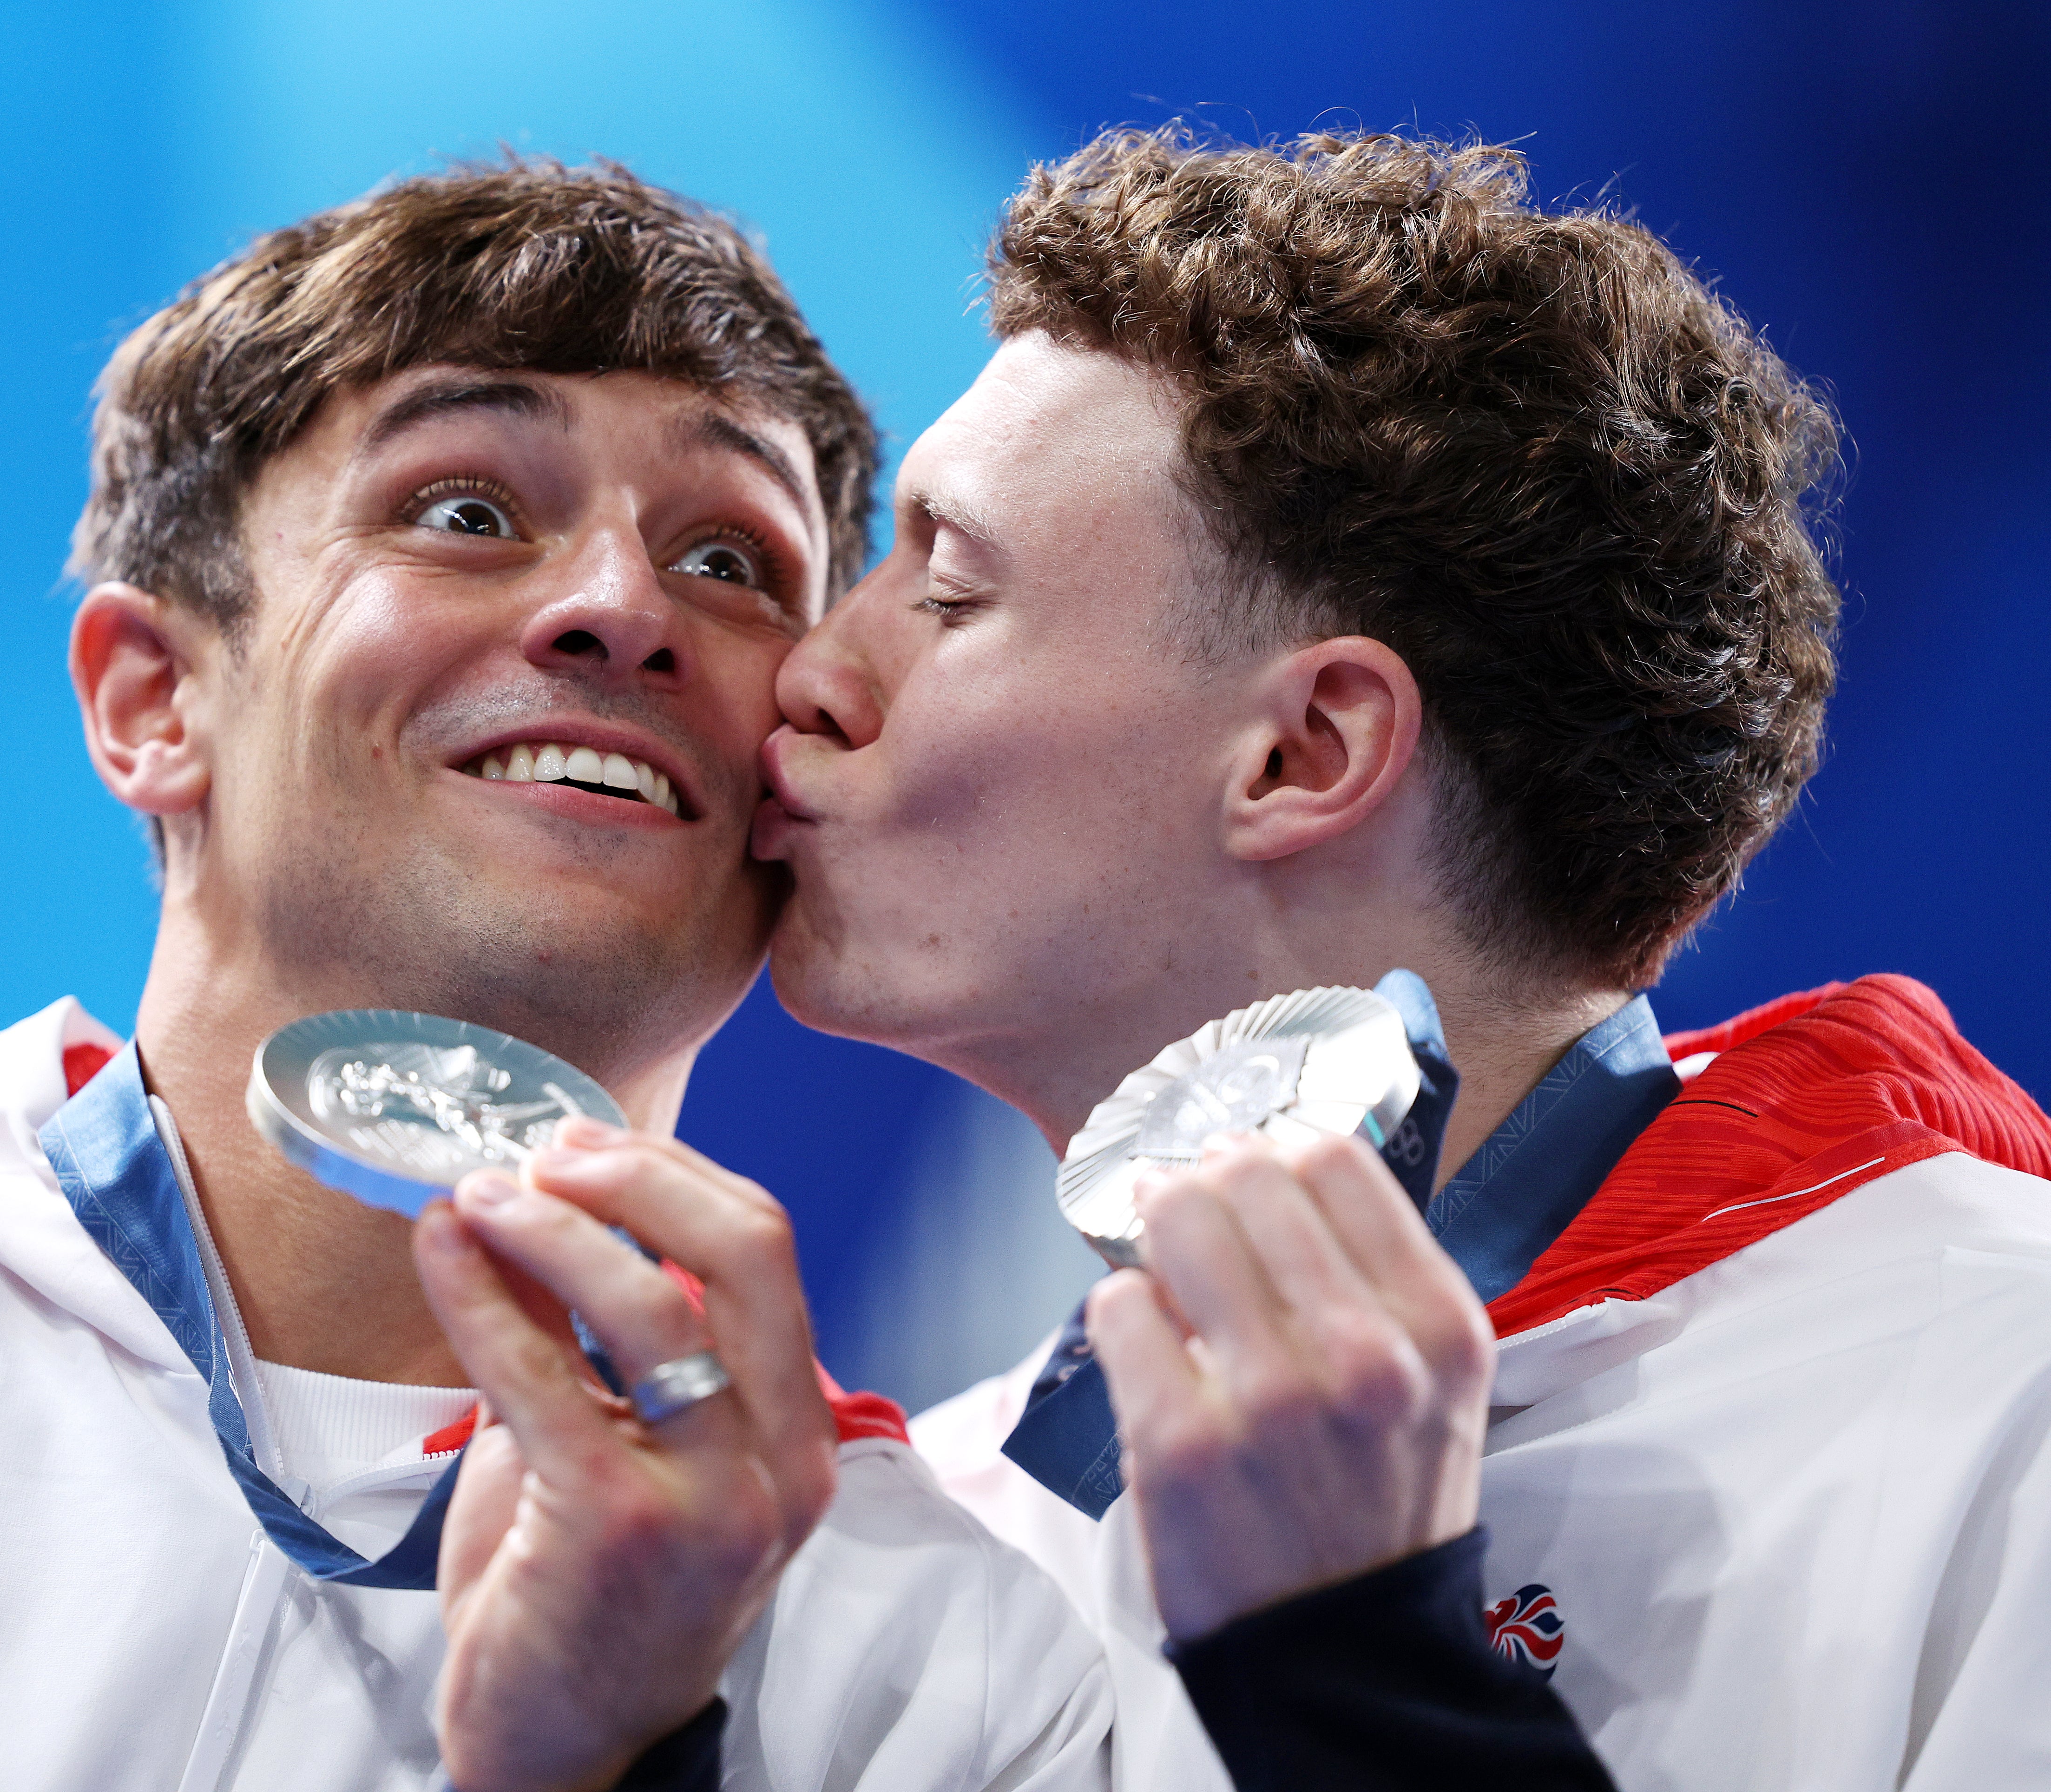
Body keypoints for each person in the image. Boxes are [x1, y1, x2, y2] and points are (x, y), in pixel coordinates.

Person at [0, 160, 1109, 1792]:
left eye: (729, 561)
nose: (620, 607)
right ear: (154, 698)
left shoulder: (958, 1670)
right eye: (466, 510)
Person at [743, 127, 2051, 1790]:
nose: (807, 671)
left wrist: (1358, 1676)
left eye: (945, 588)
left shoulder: (2005, 1402)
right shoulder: (965, 1515)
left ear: (1303, 753)